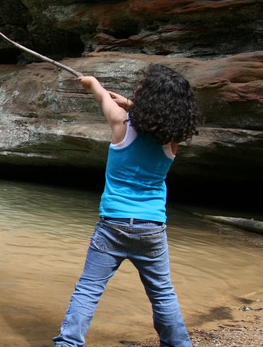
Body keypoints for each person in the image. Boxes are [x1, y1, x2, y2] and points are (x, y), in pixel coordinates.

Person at [53, 64, 201, 347]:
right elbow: (156, 119)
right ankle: (179, 345)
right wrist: (129, 104)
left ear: (146, 97)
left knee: (89, 288)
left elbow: (101, 99)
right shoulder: (172, 138)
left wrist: (94, 83)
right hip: (152, 227)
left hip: (113, 224)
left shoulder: (121, 122)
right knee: (162, 293)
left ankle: (68, 344)